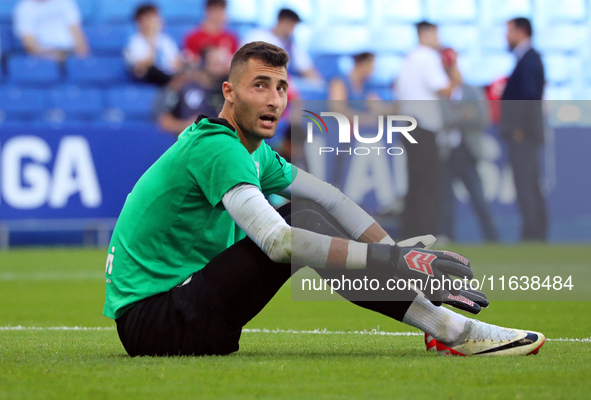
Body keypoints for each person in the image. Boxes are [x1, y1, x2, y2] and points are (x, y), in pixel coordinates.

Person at [103, 41, 545, 358]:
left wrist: (396, 256)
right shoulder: (216, 146)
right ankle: (453, 330)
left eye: (280, 87)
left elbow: (331, 199)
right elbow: (279, 242)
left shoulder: (251, 152)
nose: (275, 99)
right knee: (301, 223)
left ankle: (443, 327)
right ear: (229, 92)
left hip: (186, 312)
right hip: (158, 323)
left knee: (310, 212)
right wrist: (395, 263)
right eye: (260, 85)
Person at [395, 21, 461, 239]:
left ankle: (411, 233)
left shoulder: (411, 58)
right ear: (427, 34)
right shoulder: (427, 57)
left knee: (415, 184)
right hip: (423, 128)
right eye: (436, 33)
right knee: (429, 186)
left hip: (409, 125)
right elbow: (446, 89)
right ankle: (426, 234)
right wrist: (454, 70)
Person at [438, 48, 498, 243]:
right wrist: (463, 115)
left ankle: (492, 238)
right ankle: (447, 238)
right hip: (445, 152)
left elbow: (482, 117)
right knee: (445, 202)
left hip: (467, 151)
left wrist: (457, 117)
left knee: (479, 199)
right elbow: (442, 118)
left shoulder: (471, 90)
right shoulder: (439, 92)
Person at [501, 17, 547, 242]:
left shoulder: (529, 59)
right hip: (527, 134)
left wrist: (518, 128)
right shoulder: (527, 59)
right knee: (531, 185)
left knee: (527, 186)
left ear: (520, 31)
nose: (505, 36)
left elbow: (529, 96)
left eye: (508, 31)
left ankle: (533, 234)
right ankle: (536, 232)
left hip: (524, 136)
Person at [155, 46, 230, 135]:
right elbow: (164, 121)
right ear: (203, 63)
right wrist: (187, 126)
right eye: (216, 63)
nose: (222, 66)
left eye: (223, 62)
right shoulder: (184, 88)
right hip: (190, 143)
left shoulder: (230, 92)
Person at [243, 8, 320, 80]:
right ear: (281, 21)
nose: (292, 29)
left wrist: (319, 84)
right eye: (290, 24)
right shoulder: (258, 36)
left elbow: (306, 68)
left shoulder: (291, 45)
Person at [124, 3, 183, 87]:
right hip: (150, 78)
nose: (154, 21)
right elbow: (142, 67)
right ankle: (173, 84)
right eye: (150, 18)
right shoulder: (134, 42)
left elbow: (176, 64)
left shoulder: (166, 40)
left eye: (155, 17)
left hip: (170, 75)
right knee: (152, 70)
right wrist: (152, 41)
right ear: (140, 21)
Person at [13, 0, 89, 61]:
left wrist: (82, 55)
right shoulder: (24, 7)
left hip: (70, 53)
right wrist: (51, 56)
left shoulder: (65, 2)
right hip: (43, 57)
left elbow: (76, 32)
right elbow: (29, 43)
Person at [184, 0, 238, 64]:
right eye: (214, 11)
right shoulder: (193, 37)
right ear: (207, 11)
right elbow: (189, 61)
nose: (218, 15)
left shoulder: (231, 37)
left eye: (221, 10)